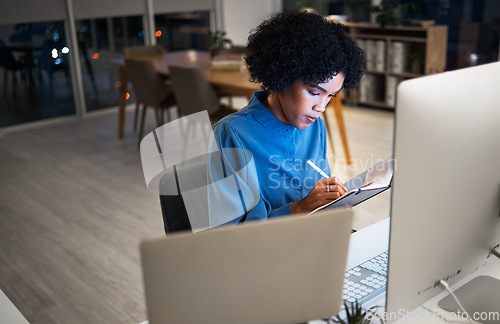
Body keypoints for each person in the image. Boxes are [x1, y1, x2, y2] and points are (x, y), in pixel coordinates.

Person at [207, 10, 366, 227]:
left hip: (310, 239)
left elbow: (316, 193)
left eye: (331, 96)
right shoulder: (232, 134)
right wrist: (298, 209)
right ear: (282, 76)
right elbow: (227, 232)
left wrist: (330, 202)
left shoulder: (315, 127)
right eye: (314, 92)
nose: (321, 107)